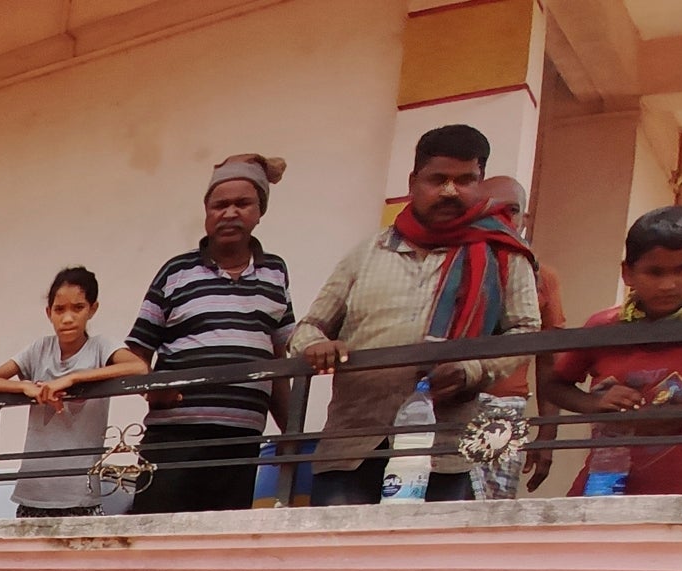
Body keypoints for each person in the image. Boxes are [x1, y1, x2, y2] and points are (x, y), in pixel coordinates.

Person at [291, 124, 540, 505]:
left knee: (427, 563)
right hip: (352, 445)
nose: (449, 191)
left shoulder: (501, 254)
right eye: (437, 179)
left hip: (444, 450)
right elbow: (308, 328)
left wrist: (471, 369)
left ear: (481, 182)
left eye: (464, 180)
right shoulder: (369, 252)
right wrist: (316, 347)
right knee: (339, 562)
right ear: (413, 182)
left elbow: (526, 330)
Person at [122, 154, 296, 514]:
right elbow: (136, 354)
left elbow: (279, 359)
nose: (230, 212)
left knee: (219, 548)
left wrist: (292, 433)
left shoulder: (275, 272)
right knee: (157, 541)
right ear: (207, 212)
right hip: (174, 438)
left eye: (242, 203)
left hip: (242, 439)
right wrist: (152, 388)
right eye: (220, 205)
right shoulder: (176, 272)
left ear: (259, 211)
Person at [542, 205, 682, 496]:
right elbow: (555, 384)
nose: (669, 284)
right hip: (604, 482)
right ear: (628, 273)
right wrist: (595, 403)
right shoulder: (604, 325)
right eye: (654, 272)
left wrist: (675, 415)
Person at [0, 266, 149, 516]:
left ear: (92, 309)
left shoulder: (100, 347)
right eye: (59, 310)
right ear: (49, 313)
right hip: (34, 492)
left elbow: (138, 367)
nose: (67, 318)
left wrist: (73, 378)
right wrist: (26, 386)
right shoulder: (40, 349)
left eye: (77, 308)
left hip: (80, 495)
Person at [476, 178, 566, 496]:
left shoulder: (541, 275)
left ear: (524, 220)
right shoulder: (450, 267)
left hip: (503, 409)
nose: (500, 220)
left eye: (510, 211)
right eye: (488, 211)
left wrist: (547, 435)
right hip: (443, 405)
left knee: (486, 517)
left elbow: (549, 359)